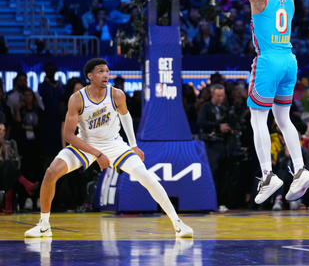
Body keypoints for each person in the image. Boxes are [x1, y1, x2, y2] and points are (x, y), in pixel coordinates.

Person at [25, 59, 193, 238]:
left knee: (146, 177)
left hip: (114, 144)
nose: (105, 75)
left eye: (106, 71)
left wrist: (133, 145)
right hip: (86, 144)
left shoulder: (117, 95)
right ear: (90, 76)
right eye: (100, 71)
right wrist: (97, 154)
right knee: (51, 172)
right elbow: (68, 135)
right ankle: (44, 225)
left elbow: (125, 117)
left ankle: (178, 224)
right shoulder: (77, 99)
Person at [239, 0, 309, 205]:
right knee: (284, 119)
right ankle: (301, 169)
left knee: (258, 118)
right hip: (289, 60)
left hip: (268, 60)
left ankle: (268, 175)